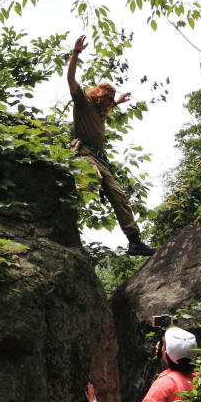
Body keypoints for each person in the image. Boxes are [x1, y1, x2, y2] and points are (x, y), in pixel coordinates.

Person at [67, 34, 156, 256]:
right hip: (84, 153)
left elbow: (105, 110)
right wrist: (75, 53)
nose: (110, 102)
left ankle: (134, 242)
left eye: (111, 100)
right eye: (109, 98)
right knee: (91, 176)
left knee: (120, 197)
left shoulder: (100, 112)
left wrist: (118, 102)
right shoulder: (84, 103)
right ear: (99, 95)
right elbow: (70, 80)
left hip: (100, 159)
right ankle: (66, 207)